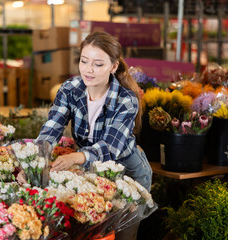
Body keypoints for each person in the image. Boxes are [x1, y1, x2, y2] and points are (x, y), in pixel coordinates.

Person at [29, 31, 152, 192]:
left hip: (126, 172)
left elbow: (110, 147)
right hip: (89, 170)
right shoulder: (70, 89)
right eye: (84, 61)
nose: (89, 70)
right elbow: (52, 127)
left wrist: (75, 157)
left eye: (98, 64)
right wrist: (33, 163)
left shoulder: (126, 100)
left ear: (113, 66)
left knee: (122, 217)